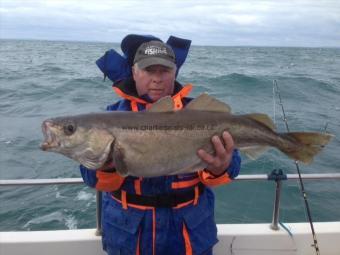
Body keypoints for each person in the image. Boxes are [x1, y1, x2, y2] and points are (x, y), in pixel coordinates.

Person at [80, 35, 241, 255]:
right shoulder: (110, 118)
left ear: (175, 73)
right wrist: (106, 166)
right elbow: (92, 179)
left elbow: (232, 169)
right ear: (135, 72)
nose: (157, 79)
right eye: (149, 71)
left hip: (189, 234)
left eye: (164, 71)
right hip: (129, 236)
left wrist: (221, 166)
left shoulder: (200, 114)